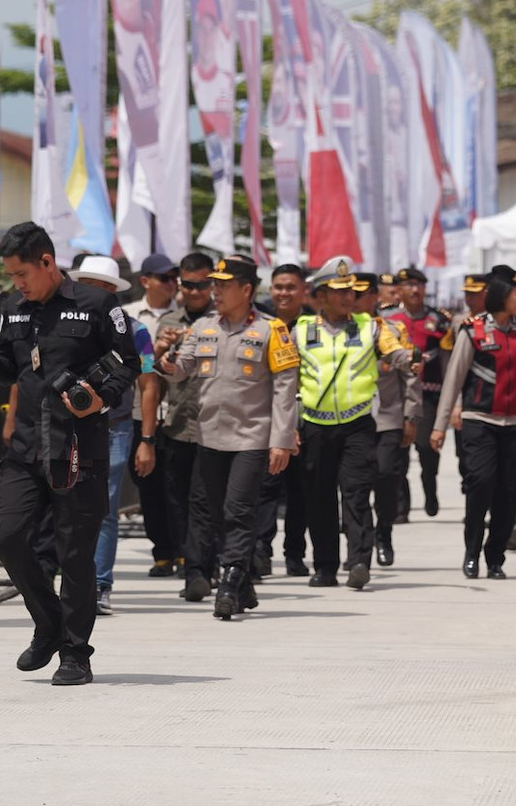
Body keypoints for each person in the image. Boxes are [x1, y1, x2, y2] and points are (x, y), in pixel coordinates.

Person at [0, 221, 140, 686]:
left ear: (47, 262)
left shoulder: (97, 305)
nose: (17, 284)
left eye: (22, 273)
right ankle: (48, 625)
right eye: (11, 276)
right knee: (9, 537)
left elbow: (128, 363)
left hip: (77, 449)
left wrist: (102, 397)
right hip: (26, 447)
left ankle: (75, 653)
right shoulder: (13, 309)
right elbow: (11, 368)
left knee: (75, 555)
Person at [157, 254, 298, 618]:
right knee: (217, 515)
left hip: (251, 438)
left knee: (238, 510)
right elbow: (179, 370)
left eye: (222, 285)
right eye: (212, 284)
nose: (214, 291)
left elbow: (285, 389)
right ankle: (244, 582)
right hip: (208, 437)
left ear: (246, 289)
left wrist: (281, 439)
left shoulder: (272, 330)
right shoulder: (203, 327)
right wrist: (164, 360)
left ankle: (231, 580)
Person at [435, 264, 516, 579]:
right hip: (479, 420)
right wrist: (440, 425)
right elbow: (454, 380)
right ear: (500, 295)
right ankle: (471, 551)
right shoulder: (473, 329)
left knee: (509, 492)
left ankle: (494, 557)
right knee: (480, 484)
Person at [69, 255, 160, 616]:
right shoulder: (64, 327)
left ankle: (100, 586)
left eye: (98, 288)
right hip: (66, 428)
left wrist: (147, 439)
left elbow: (148, 384)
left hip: (115, 427)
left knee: (104, 508)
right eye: (85, 286)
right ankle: (70, 578)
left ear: (112, 292)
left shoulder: (137, 332)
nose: (90, 294)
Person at [295, 262, 382, 590]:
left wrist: (408, 358)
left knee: (357, 494)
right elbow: (289, 380)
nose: (349, 297)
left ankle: (359, 561)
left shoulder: (370, 326)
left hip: (357, 423)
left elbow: (396, 351)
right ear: (321, 296)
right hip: (315, 424)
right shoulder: (301, 330)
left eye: (351, 291)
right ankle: (325, 566)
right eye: (340, 291)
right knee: (319, 498)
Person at [155, 252, 218, 598]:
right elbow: (148, 368)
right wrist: (160, 348)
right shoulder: (167, 320)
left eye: (202, 285)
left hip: (216, 424)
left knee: (209, 501)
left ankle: (208, 565)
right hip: (178, 423)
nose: (194, 291)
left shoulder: (223, 319)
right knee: (178, 499)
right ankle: (189, 561)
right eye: (188, 285)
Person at [122, 254, 184, 577]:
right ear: (146, 280)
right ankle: (162, 552)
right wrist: (157, 349)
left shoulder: (188, 315)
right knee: (148, 485)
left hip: (177, 412)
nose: (172, 283)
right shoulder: (128, 317)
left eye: (175, 277)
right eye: (164, 278)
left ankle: (185, 550)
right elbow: (133, 366)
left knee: (179, 485)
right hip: (138, 410)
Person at [356, 272, 421, 567]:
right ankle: (359, 544)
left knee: (385, 478)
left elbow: (410, 374)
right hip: (351, 418)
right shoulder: (339, 333)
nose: (353, 301)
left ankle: (384, 533)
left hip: (387, 418)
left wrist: (411, 414)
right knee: (354, 485)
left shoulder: (391, 330)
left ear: (374, 298)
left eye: (361, 295)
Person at [255, 262, 313, 577]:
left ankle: (295, 554)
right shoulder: (260, 322)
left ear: (303, 290)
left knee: (299, 493)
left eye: (291, 287)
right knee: (266, 490)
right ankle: (261, 552)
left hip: (306, 419)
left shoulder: (314, 326)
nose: (284, 293)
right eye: (278, 287)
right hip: (266, 419)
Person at [386, 266, 450, 518]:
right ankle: (401, 507)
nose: (414, 290)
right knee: (398, 451)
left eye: (419, 285)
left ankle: (430, 490)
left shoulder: (438, 320)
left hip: (429, 392)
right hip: (397, 393)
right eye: (408, 285)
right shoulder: (387, 318)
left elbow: (447, 358)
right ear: (399, 290)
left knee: (426, 447)